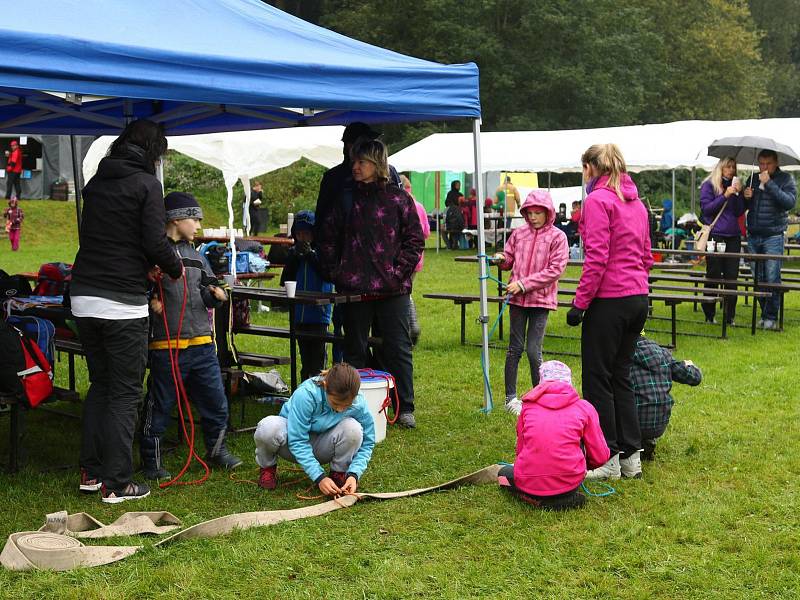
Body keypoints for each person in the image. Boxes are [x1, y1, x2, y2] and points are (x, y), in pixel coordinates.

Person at [70, 119, 184, 503]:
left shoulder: (97, 183)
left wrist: (141, 263)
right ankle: (118, 483)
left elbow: (108, 237)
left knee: (101, 386)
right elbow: (154, 240)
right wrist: (174, 266)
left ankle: (91, 471)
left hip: (84, 296)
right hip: (120, 303)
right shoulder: (147, 184)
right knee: (124, 393)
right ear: (153, 152)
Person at [318, 138, 424, 428]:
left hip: (393, 291)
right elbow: (327, 237)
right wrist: (335, 272)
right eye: (354, 161)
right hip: (355, 289)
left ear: (377, 164)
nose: (355, 167)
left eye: (361, 162)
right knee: (354, 350)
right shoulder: (346, 199)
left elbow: (415, 240)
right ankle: (350, 405)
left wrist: (398, 273)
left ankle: (404, 409)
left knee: (398, 348)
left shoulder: (400, 199)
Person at [140, 191, 242, 481]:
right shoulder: (152, 255)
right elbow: (140, 288)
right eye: (194, 219)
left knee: (216, 401)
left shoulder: (198, 258)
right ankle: (153, 462)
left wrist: (217, 296)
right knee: (160, 405)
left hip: (201, 345)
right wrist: (150, 303)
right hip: (166, 346)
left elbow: (206, 291)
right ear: (176, 219)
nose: (198, 226)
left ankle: (217, 451)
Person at [566, 143, 653, 480]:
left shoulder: (598, 202)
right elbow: (647, 256)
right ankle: (631, 459)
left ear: (590, 168)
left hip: (610, 300)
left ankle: (607, 460)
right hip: (637, 298)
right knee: (621, 377)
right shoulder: (638, 205)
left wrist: (580, 304)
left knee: (598, 379)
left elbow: (597, 258)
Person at [493, 190, 568, 415]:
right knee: (514, 348)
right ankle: (510, 398)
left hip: (541, 301)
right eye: (530, 213)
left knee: (534, 351)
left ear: (548, 213)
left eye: (538, 213)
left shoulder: (558, 237)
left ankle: (539, 397)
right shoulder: (519, 233)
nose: (533, 217)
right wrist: (501, 260)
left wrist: (524, 284)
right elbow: (508, 259)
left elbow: (555, 270)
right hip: (517, 300)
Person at [497, 361, 609, 511]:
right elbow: (600, 456)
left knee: (502, 474)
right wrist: (582, 467)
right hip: (570, 481)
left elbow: (520, 450)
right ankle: (561, 497)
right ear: (569, 383)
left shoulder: (527, 407)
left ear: (541, 383)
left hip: (528, 481)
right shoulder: (584, 408)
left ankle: (532, 497)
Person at [253, 363, 375, 494]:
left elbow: (368, 442)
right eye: (336, 403)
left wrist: (354, 474)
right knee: (268, 427)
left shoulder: (358, 402)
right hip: (290, 444)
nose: (340, 409)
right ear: (325, 386)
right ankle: (267, 469)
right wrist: (319, 477)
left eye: (347, 406)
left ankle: (340, 474)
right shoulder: (306, 394)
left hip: (324, 446)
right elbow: (297, 440)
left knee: (353, 429)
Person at [743, 149, 797, 330]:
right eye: (761, 164)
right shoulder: (752, 178)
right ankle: (765, 312)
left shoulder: (786, 179)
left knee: (772, 277)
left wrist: (771, 184)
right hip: (753, 234)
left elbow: (789, 202)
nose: (764, 167)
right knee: (757, 277)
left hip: (773, 235)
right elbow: (745, 206)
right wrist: (746, 197)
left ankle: (770, 317)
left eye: (768, 164)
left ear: (776, 163)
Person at [280, 209, 333, 381]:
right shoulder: (294, 253)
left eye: (307, 234)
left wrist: (310, 255)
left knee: (317, 362)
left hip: (318, 314)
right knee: (304, 359)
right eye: (299, 234)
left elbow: (327, 274)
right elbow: (285, 279)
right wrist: (294, 258)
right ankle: (304, 394)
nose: (303, 238)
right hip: (299, 314)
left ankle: (319, 396)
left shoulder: (323, 252)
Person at [630, 335, 702, 460]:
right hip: (659, 422)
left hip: (632, 422)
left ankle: (631, 445)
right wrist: (689, 365)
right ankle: (646, 441)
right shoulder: (663, 354)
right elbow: (695, 378)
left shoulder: (622, 355)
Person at [699, 157, 745, 325]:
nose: (731, 170)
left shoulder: (735, 185)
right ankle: (709, 314)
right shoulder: (709, 185)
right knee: (714, 273)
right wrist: (725, 195)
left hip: (733, 236)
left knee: (732, 277)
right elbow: (706, 209)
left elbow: (739, 211)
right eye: (728, 167)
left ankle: (729, 315)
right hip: (716, 235)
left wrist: (741, 195)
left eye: (733, 167)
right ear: (720, 168)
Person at [400, 174, 431, 345]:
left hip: (402, 257)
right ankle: (411, 325)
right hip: (417, 257)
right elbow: (426, 232)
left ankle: (411, 324)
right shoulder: (419, 206)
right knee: (407, 290)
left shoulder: (401, 204)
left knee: (404, 293)